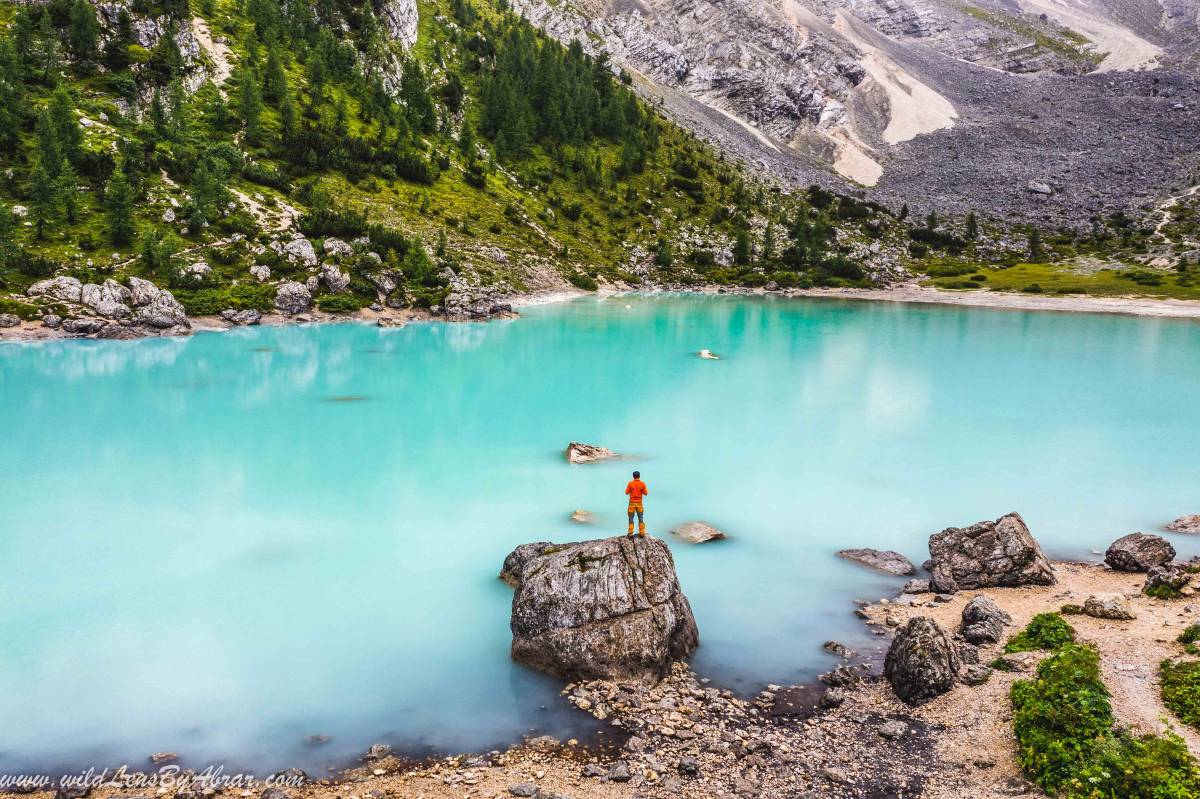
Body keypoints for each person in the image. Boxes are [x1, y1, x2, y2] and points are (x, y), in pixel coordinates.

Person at [625, 470, 648, 538]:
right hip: (639, 504)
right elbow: (646, 493)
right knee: (640, 518)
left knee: (631, 519)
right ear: (639, 476)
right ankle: (641, 532)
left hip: (632, 503)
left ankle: (630, 533)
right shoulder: (642, 484)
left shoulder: (630, 483)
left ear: (633, 476)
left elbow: (626, 492)